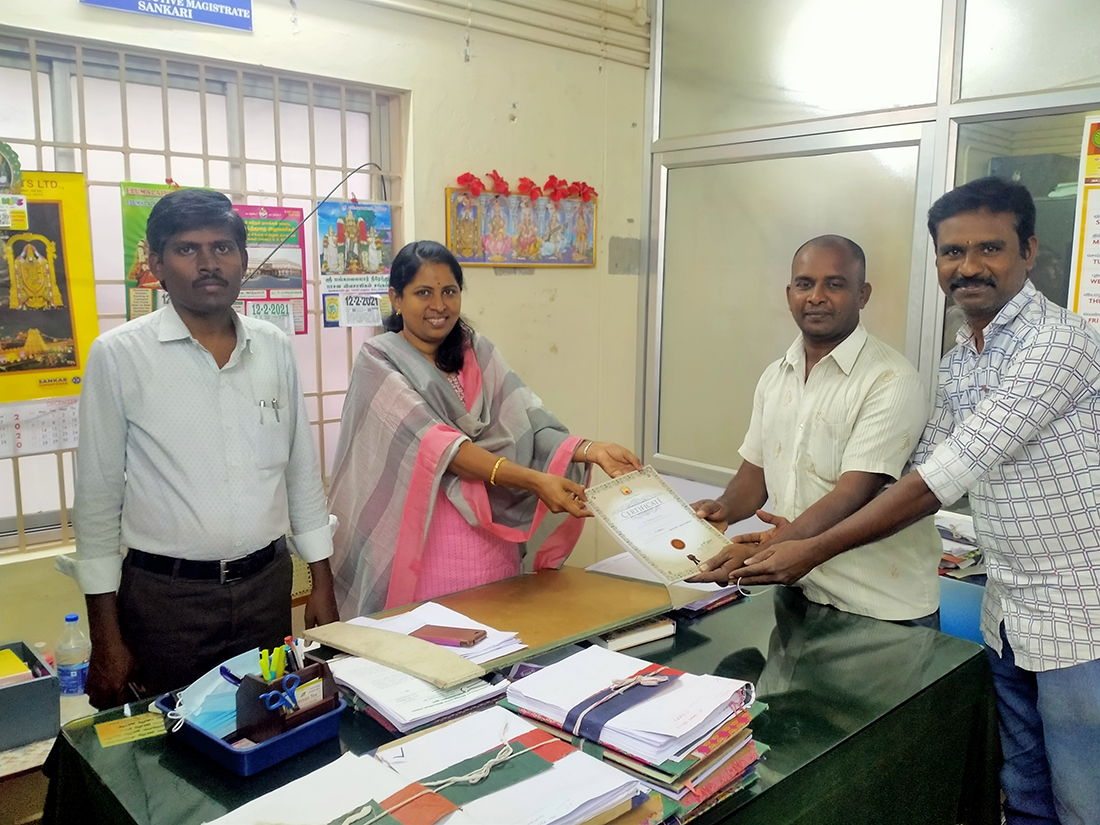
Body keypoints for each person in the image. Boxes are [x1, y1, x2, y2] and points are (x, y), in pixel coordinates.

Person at [743, 178, 1099, 825]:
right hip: (1008, 613)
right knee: (1022, 790)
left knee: (1083, 799)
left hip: (1080, 619)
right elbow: (909, 470)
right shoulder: (964, 356)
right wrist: (788, 534)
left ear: (1028, 250)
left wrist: (809, 546)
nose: (968, 266)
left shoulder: (1060, 344)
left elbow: (941, 477)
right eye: (952, 251)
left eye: (989, 248)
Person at [64, 188, 339, 709]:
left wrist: (321, 582)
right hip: (167, 602)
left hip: (265, 587)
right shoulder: (120, 355)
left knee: (265, 725)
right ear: (157, 263)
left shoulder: (273, 347)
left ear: (243, 259)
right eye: (188, 249)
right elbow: (98, 500)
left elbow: (301, 471)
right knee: (169, 749)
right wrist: (106, 636)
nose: (208, 263)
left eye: (223, 248)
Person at [327, 240, 641, 618]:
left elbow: (529, 424)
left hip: (492, 540)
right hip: (426, 542)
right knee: (437, 646)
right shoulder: (378, 361)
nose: (439, 305)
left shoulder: (477, 351)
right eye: (423, 293)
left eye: (449, 291)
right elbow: (444, 448)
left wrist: (592, 449)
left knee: (500, 638)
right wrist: (535, 481)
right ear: (396, 298)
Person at [689, 235, 942, 625]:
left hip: (877, 607)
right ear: (789, 292)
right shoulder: (776, 376)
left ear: (863, 294)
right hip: (796, 591)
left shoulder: (891, 380)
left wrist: (758, 555)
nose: (816, 296)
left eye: (835, 284)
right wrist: (721, 509)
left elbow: (852, 495)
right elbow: (753, 477)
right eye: (805, 284)